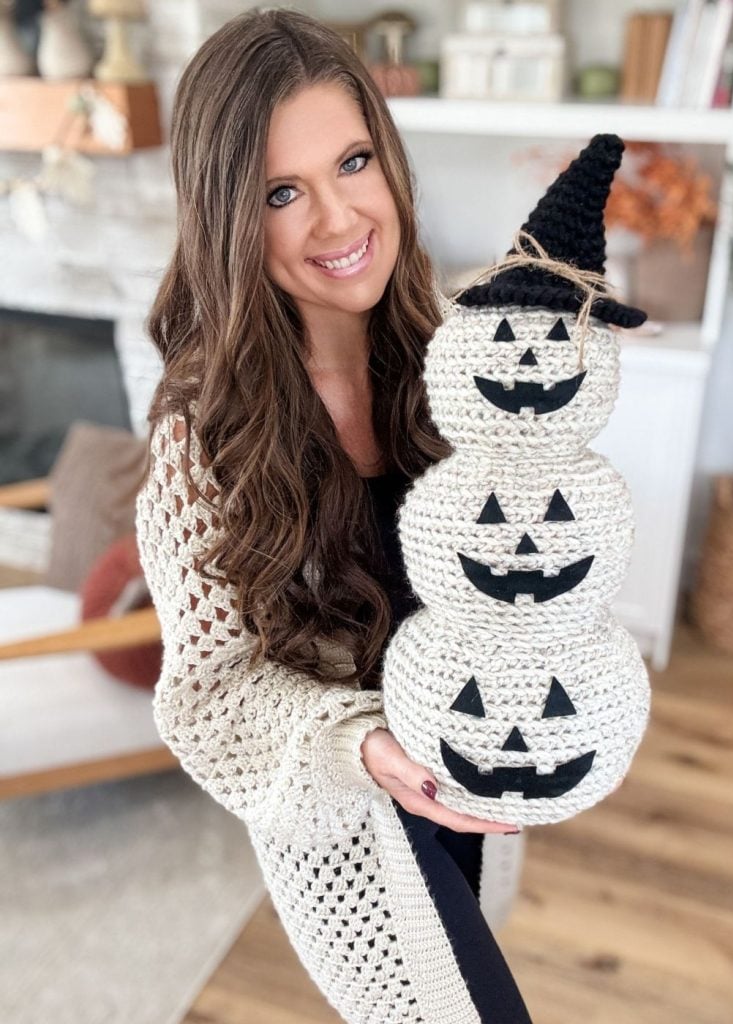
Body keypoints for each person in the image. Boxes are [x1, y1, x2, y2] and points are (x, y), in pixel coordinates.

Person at [134, 7, 533, 1023]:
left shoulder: (455, 367)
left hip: (473, 785)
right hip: (346, 834)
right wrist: (355, 745)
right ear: (229, 213)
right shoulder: (201, 441)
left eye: (354, 162)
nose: (338, 218)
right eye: (282, 191)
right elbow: (206, 698)